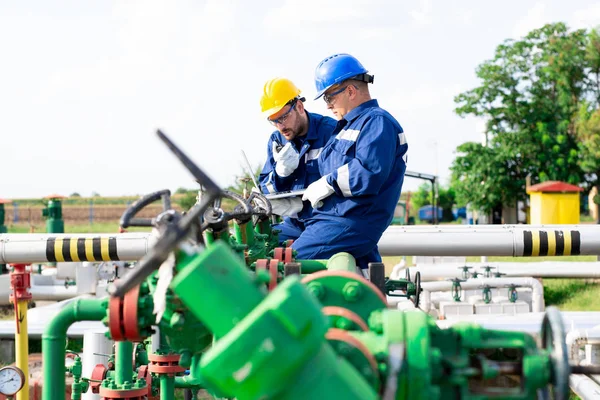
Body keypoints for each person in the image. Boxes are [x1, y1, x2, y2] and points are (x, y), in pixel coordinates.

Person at [292, 53, 408, 270]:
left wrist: (329, 182)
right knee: (271, 241)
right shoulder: (346, 127)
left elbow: (369, 172)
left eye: (329, 97)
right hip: (330, 218)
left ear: (351, 91)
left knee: (288, 265)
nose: (327, 106)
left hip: (350, 222)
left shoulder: (377, 122)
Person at [258, 77, 337, 242]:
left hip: (325, 221)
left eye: (283, 117)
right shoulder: (277, 141)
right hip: (294, 224)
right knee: (261, 245)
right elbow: (265, 190)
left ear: (299, 107)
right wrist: (280, 173)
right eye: (274, 121)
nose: (280, 127)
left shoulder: (331, 133)